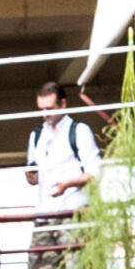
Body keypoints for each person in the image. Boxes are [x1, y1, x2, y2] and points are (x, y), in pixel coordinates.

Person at [21, 81, 101, 257]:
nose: (45, 114)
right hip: (44, 215)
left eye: (49, 109)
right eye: (41, 109)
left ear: (63, 104)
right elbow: (33, 176)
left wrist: (67, 184)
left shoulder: (79, 131)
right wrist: (31, 175)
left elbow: (95, 172)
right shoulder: (36, 136)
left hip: (72, 211)